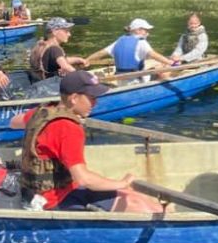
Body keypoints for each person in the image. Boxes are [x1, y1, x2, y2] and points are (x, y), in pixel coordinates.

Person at [9, 71, 164, 212]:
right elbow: (83, 179)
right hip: (56, 199)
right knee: (134, 200)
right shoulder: (69, 128)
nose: (95, 103)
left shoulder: (41, 113)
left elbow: (14, 122)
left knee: (129, 194)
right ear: (74, 98)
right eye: (91, 98)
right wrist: (122, 183)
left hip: (32, 194)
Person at [85, 18, 176, 74]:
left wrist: (87, 60)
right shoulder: (141, 42)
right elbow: (154, 55)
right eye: (146, 30)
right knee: (161, 69)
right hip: (135, 79)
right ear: (138, 30)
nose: (148, 33)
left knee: (153, 64)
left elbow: (101, 53)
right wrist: (171, 63)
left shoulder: (119, 40)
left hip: (120, 78)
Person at [29, 17, 87, 82]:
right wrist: (84, 77)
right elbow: (66, 67)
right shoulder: (55, 49)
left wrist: (78, 60)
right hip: (50, 87)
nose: (69, 34)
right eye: (66, 31)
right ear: (55, 32)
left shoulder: (41, 45)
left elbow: (61, 59)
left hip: (38, 84)